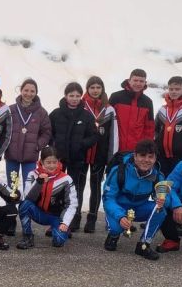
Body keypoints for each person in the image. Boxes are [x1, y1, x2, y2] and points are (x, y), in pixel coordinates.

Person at [102, 139, 170, 260]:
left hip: (139, 207)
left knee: (160, 210)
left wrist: (162, 201)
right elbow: (108, 198)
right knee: (116, 227)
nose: (146, 160)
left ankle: (144, 245)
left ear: (155, 159)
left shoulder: (158, 176)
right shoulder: (119, 171)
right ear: (135, 156)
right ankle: (113, 235)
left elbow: (166, 196)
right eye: (142, 156)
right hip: (119, 208)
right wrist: (120, 216)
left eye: (150, 157)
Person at [48, 82, 98, 232]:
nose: (74, 99)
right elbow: (49, 132)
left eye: (77, 96)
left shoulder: (86, 115)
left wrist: (81, 144)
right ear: (66, 96)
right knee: (57, 190)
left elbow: (94, 136)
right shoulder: (56, 113)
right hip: (59, 160)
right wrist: (53, 147)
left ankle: (72, 221)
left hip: (77, 159)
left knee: (74, 190)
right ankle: (55, 221)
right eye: (71, 95)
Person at [15, 146, 77, 250]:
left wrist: (65, 222)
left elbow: (72, 204)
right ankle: (28, 236)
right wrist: (39, 182)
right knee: (24, 205)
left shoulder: (66, 179)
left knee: (58, 242)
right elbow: (28, 197)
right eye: (48, 162)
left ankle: (57, 229)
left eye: (54, 162)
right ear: (41, 162)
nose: (52, 165)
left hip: (56, 217)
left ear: (58, 162)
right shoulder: (32, 174)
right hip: (39, 213)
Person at [81, 76, 118, 233]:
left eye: (98, 87)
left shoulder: (109, 109)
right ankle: (75, 217)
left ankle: (92, 218)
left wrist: (112, 157)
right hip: (81, 154)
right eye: (92, 87)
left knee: (95, 187)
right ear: (87, 89)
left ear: (102, 89)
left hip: (100, 155)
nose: (95, 90)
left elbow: (113, 135)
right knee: (78, 186)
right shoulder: (81, 106)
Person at [5, 78, 52, 182]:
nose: (28, 94)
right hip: (12, 155)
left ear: (36, 93)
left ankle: (27, 199)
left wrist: (37, 145)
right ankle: (14, 199)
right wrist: (7, 145)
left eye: (32, 91)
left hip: (30, 157)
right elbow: (4, 130)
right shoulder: (10, 110)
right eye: (26, 90)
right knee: (13, 188)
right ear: (21, 91)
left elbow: (46, 132)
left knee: (30, 187)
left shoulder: (41, 112)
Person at [155, 76, 182, 177]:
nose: (173, 92)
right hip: (162, 157)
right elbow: (156, 130)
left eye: (177, 89)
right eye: (171, 89)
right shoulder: (162, 110)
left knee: (180, 185)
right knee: (163, 186)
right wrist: (157, 143)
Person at [109, 68, 155, 152]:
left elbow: (149, 128)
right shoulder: (116, 97)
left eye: (141, 81)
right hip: (115, 148)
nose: (138, 83)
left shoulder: (147, 102)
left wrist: (146, 148)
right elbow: (108, 122)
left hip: (136, 150)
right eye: (135, 80)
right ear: (129, 80)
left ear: (145, 83)